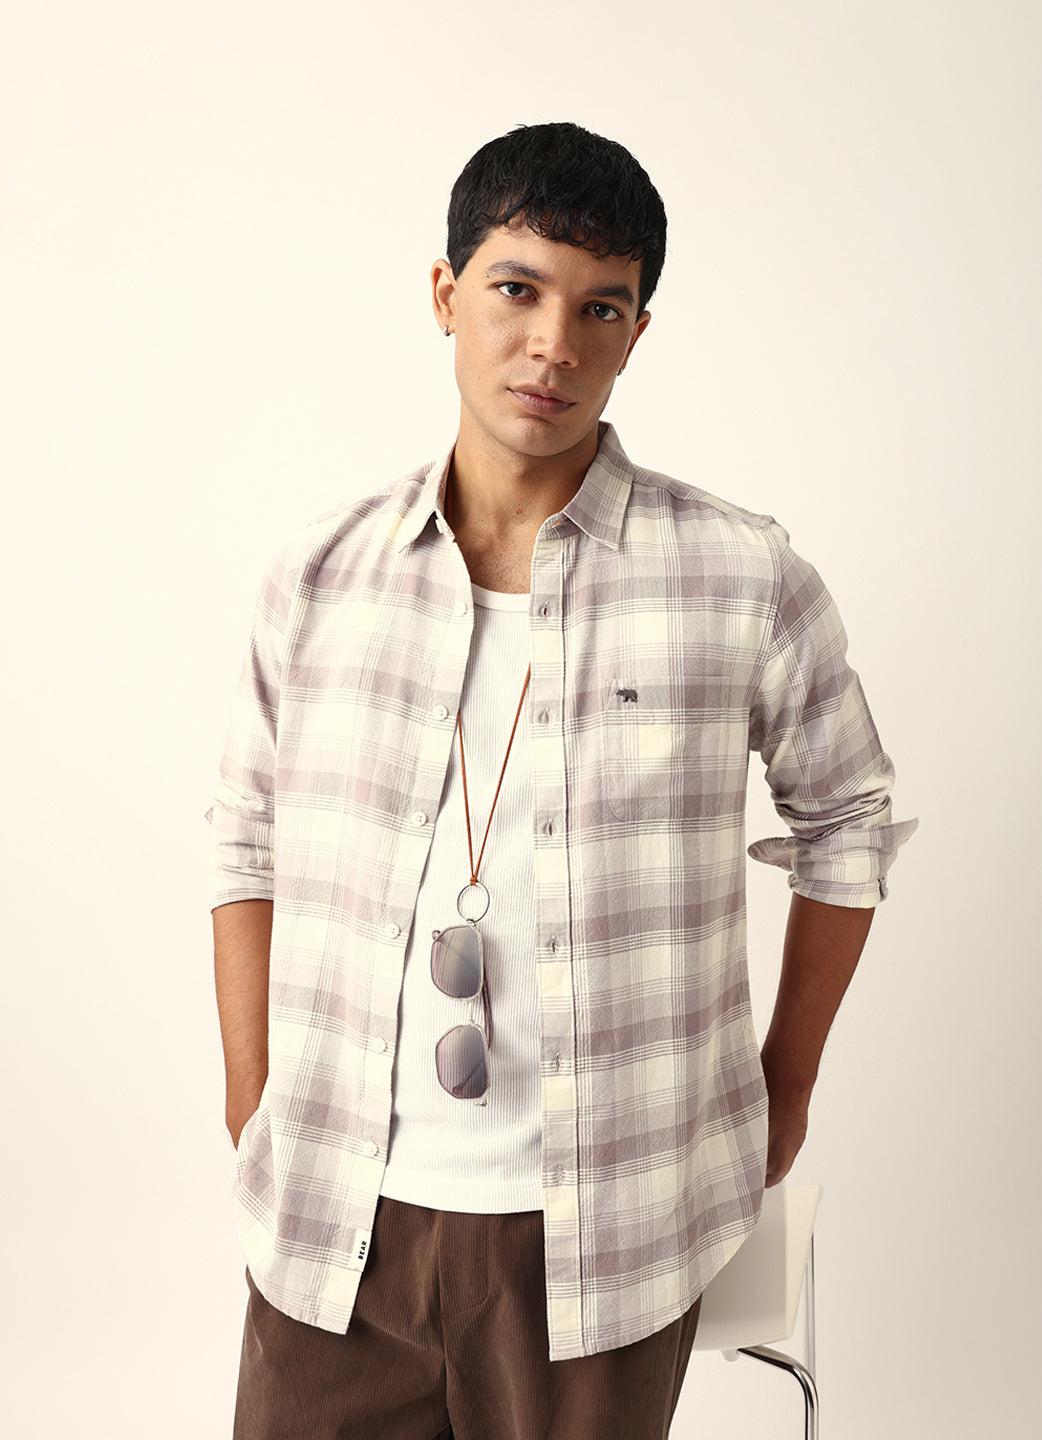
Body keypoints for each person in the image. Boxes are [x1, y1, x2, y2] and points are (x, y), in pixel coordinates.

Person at [209, 121, 915, 1440]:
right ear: (445, 295)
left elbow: (850, 821)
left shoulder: (741, 574)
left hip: (607, 1235)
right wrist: (251, 1096)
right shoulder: (321, 571)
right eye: (516, 289)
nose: (553, 344)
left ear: (637, 332)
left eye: (601, 307)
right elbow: (245, 835)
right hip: (333, 1224)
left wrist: (788, 1084)